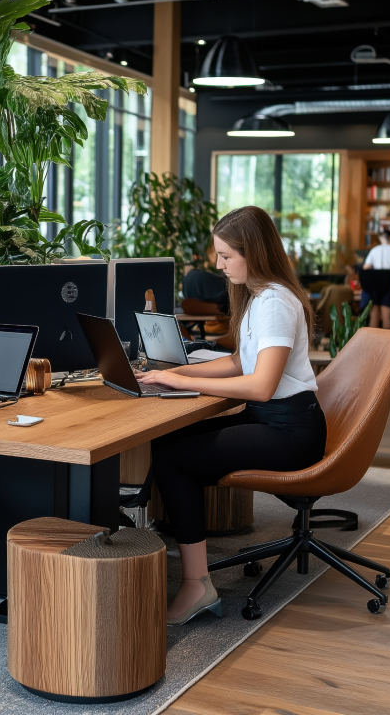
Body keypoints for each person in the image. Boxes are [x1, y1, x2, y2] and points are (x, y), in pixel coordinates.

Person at [134, 206, 327, 626]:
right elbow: (241, 362)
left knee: (173, 460)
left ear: (252, 252)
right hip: (270, 419)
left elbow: (261, 386)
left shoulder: (275, 302)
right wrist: (173, 374)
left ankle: (197, 585)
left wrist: (182, 381)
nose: (219, 266)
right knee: (167, 441)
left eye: (226, 256)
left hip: (291, 431)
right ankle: (161, 552)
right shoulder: (259, 297)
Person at [361, 229, 390, 329]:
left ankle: (373, 339)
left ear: (380, 238)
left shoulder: (374, 250)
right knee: (387, 317)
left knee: (373, 316)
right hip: (388, 283)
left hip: (374, 283)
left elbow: (366, 268)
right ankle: (386, 339)